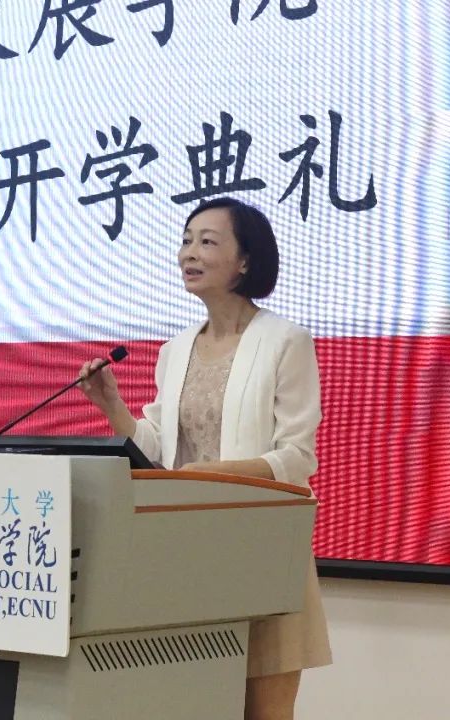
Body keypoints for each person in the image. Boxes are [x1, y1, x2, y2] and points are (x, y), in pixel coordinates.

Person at [78, 197, 331, 720]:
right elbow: (158, 450)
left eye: (208, 242)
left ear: (245, 261)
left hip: (263, 549)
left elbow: (296, 457)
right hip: (190, 554)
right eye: (186, 240)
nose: (189, 253)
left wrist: (207, 477)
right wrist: (112, 407)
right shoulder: (175, 350)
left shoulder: (285, 341)